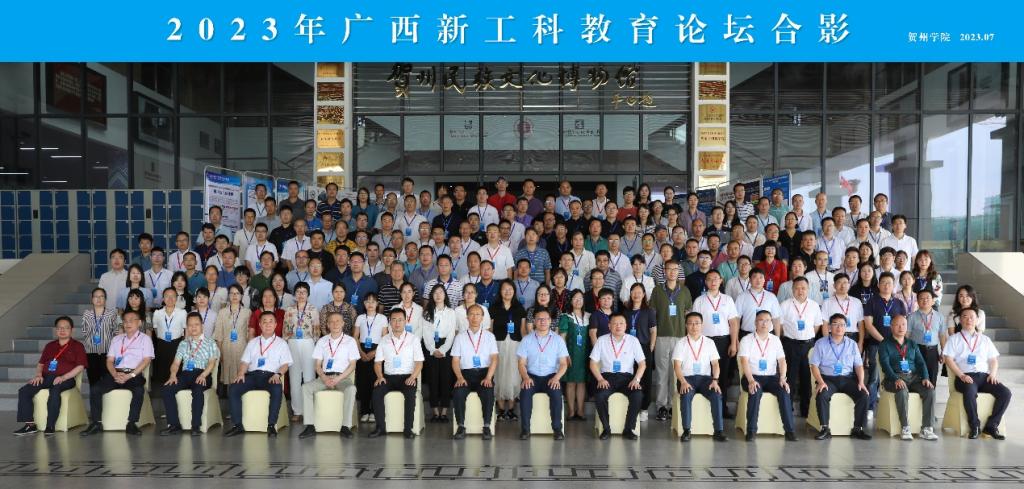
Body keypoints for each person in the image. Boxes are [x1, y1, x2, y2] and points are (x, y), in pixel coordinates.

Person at [80, 310, 154, 437]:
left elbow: (146, 360)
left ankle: (132, 423)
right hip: (116, 373)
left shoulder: (145, 339)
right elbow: (109, 361)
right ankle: (96, 423)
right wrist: (114, 374)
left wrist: (130, 375)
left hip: (133, 374)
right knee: (96, 389)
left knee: (139, 391)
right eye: (125, 321)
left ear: (139, 323)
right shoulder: (117, 339)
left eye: (131, 320)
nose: (128, 323)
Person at [12, 316, 87, 436]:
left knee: (55, 390)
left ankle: (50, 425)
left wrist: (63, 377)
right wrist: (38, 375)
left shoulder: (77, 346)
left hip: (66, 379)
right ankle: (30, 425)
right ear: (56, 330)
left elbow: (80, 366)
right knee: (24, 391)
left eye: (66, 328)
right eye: (59, 328)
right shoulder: (50, 346)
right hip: (46, 377)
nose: (62, 330)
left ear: (72, 330)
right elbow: (41, 364)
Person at [943, 307, 1011, 440]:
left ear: (977, 320)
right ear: (959, 320)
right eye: (965, 317)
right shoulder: (954, 339)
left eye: (972, 317)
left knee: (1005, 393)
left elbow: (993, 360)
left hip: (984, 377)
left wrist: (993, 374)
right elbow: (948, 359)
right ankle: (975, 426)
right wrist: (961, 375)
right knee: (969, 390)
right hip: (964, 377)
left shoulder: (985, 339)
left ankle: (991, 426)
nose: (968, 320)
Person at [224, 311, 293, 437]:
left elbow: (285, 364)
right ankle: (237, 425)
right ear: (260, 325)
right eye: (264, 322)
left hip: (271, 376)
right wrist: (241, 373)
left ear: (276, 324)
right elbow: (245, 362)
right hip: (252, 375)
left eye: (271, 321)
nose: (267, 324)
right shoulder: (253, 342)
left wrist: (278, 374)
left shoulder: (282, 343)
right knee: (234, 388)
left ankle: (271, 425)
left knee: (277, 389)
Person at [296, 311, 360, 439]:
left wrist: (338, 379)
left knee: (351, 389)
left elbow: (352, 365)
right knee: (306, 387)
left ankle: (345, 426)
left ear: (343, 323)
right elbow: (317, 365)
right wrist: (324, 378)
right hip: (324, 378)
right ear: (328, 325)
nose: (335, 324)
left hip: (342, 378)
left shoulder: (350, 341)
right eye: (331, 322)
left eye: (338, 321)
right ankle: (310, 426)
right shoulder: (322, 341)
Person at [737, 310, 798, 441]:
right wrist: (751, 380)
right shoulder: (746, 340)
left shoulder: (775, 340)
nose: (764, 323)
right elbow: (744, 362)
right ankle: (751, 431)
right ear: (755, 322)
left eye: (767, 320)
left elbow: (782, 361)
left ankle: (790, 431)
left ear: (771, 323)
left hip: (771, 377)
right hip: (752, 376)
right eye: (761, 320)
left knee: (784, 391)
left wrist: (783, 378)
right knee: (755, 390)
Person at [809, 314, 871, 440]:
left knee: (863, 395)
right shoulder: (820, 343)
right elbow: (814, 365)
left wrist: (861, 382)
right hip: (828, 379)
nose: (839, 327)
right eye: (836, 324)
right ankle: (825, 429)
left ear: (846, 327)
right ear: (829, 327)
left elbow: (859, 365)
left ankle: (858, 429)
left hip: (848, 379)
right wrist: (820, 382)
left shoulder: (852, 344)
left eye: (842, 325)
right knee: (822, 395)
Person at [879, 314, 938, 441]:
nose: (901, 327)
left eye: (903, 324)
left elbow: (921, 363)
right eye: (897, 324)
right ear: (891, 326)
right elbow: (885, 365)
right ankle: (905, 427)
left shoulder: (912, 343)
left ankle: (927, 428)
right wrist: (896, 378)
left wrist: (926, 377)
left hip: (913, 377)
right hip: (893, 378)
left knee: (930, 391)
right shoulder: (885, 344)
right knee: (902, 390)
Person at [160, 312, 220, 436]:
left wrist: (203, 375)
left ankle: (195, 426)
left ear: (202, 325)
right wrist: (173, 375)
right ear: (187, 327)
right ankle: (174, 425)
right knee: (167, 389)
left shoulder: (210, 342)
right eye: (190, 325)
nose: (193, 327)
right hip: (185, 374)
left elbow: (212, 363)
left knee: (198, 390)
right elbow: (176, 363)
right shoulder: (183, 343)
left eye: (196, 324)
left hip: (202, 373)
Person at [689, 270, 739, 417]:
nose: (713, 282)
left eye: (716, 279)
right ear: (705, 282)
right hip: (704, 342)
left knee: (722, 376)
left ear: (721, 280)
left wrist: (734, 343)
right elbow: (694, 323)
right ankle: (705, 410)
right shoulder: (699, 300)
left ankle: (722, 408)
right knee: (705, 374)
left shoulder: (728, 300)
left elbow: (733, 323)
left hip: (723, 341)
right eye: (709, 279)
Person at [369, 308, 425, 438]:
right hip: (388, 377)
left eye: (400, 320)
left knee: (410, 394)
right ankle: (380, 428)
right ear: (390, 322)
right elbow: (377, 363)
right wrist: (380, 377)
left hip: (407, 376)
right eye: (394, 320)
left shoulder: (413, 339)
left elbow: (419, 362)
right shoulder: (384, 340)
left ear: (405, 321)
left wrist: (413, 377)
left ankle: (408, 429)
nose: (397, 323)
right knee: (376, 392)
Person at [589, 312, 646, 440]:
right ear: (609, 326)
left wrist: (636, 380)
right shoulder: (601, 340)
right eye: (615, 323)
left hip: (627, 378)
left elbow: (642, 364)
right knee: (600, 395)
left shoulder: (633, 341)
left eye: (621, 323)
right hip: (607, 378)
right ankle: (606, 429)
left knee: (638, 395)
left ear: (626, 325)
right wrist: (600, 379)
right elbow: (592, 363)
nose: (618, 326)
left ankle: (628, 429)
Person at [672, 312, 727, 442]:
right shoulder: (681, 343)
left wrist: (715, 380)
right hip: (687, 379)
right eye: (690, 323)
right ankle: (686, 431)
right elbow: (677, 366)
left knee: (716, 394)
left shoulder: (709, 342)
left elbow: (715, 364)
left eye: (697, 323)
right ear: (686, 325)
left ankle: (718, 431)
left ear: (702, 325)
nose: (694, 326)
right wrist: (683, 382)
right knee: (686, 394)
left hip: (705, 380)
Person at [650, 260, 693, 421]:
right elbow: (652, 314)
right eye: (669, 269)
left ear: (679, 272)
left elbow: (688, 314)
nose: (672, 272)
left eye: (675, 269)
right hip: (661, 336)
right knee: (662, 373)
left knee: (676, 373)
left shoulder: (685, 291)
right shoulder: (657, 290)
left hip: (680, 337)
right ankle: (661, 406)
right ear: (664, 271)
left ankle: (673, 405)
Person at [517, 309, 569, 440]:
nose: (542, 321)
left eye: (545, 319)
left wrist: (556, 378)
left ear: (550, 321)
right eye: (539, 319)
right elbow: (521, 363)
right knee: (525, 394)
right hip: (532, 376)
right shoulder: (527, 340)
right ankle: (525, 430)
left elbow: (564, 363)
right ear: (534, 321)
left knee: (557, 395)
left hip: (551, 376)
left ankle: (557, 429)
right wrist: (525, 377)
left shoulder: (558, 340)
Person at [451, 304, 499, 440]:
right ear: (467, 317)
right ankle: (461, 426)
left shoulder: (489, 336)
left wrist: (488, 377)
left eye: (478, 314)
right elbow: (455, 360)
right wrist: (459, 377)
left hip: (484, 374)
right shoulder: (460, 337)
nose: (474, 317)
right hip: (465, 374)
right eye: (471, 314)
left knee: (488, 392)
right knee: (458, 393)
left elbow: (494, 359)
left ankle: (486, 426)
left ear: (482, 318)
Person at [421, 284, 458, 422]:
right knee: (433, 380)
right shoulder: (427, 312)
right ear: (432, 295)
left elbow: (451, 334)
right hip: (431, 347)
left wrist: (443, 350)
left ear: (445, 295)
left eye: (441, 292)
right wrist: (433, 349)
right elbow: (425, 333)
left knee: (446, 379)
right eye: (435, 292)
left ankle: (444, 412)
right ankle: (435, 412)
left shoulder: (451, 312)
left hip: (446, 347)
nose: (438, 295)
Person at [491, 280, 526, 420]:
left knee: (514, 375)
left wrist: (525, 348)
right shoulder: (494, 308)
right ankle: (500, 409)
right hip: (498, 344)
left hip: (515, 344)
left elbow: (523, 330)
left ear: (514, 291)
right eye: (504, 289)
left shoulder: (519, 308)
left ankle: (511, 409)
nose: (507, 291)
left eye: (510, 289)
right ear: (500, 291)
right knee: (499, 374)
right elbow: (490, 329)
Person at [284, 282, 319, 421]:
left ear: (308, 294)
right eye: (298, 291)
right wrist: (286, 343)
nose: (301, 294)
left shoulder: (313, 309)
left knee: (309, 376)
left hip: (308, 342)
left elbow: (316, 329)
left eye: (304, 292)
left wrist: (315, 345)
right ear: (294, 294)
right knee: (294, 377)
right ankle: (297, 410)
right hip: (292, 342)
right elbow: (285, 329)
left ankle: (310, 409)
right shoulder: (289, 309)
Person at [557, 290, 590, 421]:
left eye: (580, 298)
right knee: (570, 382)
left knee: (582, 383)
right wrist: (565, 354)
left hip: (585, 354)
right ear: (570, 301)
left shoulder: (588, 316)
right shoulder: (566, 317)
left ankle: (580, 411)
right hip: (571, 353)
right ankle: (571, 411)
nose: (578, 301)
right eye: (575, 298)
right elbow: (562, 337)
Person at [213, 285, 251, 389]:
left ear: (241, 296)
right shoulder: (222, 312)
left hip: (242, 347)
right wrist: (220, 352)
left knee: (241, 376)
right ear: (228, 296)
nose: (234, 295)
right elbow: (219, 334)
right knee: (229, 379)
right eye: (232, 293)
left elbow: (249, 333)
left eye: (237, 293)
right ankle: (230, 397)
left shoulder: (247, 312)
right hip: (226, 347)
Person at [81, 288, 120, 386]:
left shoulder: (112, 313)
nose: (98, 299)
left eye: (101, 296)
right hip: (91, 352)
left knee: (107, 382)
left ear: (105, 299)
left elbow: (116, 332)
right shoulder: (87, 314)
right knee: (93, 382)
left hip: (108, 353)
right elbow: (84, 332)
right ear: (92, 299)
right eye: (96, 296)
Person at [907, 289, 946, 385]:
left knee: (932, 378)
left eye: (928, 298)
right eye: (922, 298)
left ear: (933, 301)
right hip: (916, 350)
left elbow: (942, 335)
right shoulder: (911, 317)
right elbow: (907, 335)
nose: (925, 300)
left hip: (933, 352)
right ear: (917, 301)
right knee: (917, 377)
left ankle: (931, 394)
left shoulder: (940, 317)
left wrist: (943, 352)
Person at [152, 288, 187, 387]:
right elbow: (155, 329)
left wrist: (185, 344)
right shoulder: (157, 313)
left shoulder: (182, 312)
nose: (170, 298)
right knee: (162, 373)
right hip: (162, 345)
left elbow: (186, 329)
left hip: (177, 344)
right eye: (167, 296)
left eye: (173, 296)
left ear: (176, 298)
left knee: (177, 371)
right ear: (163, 298)